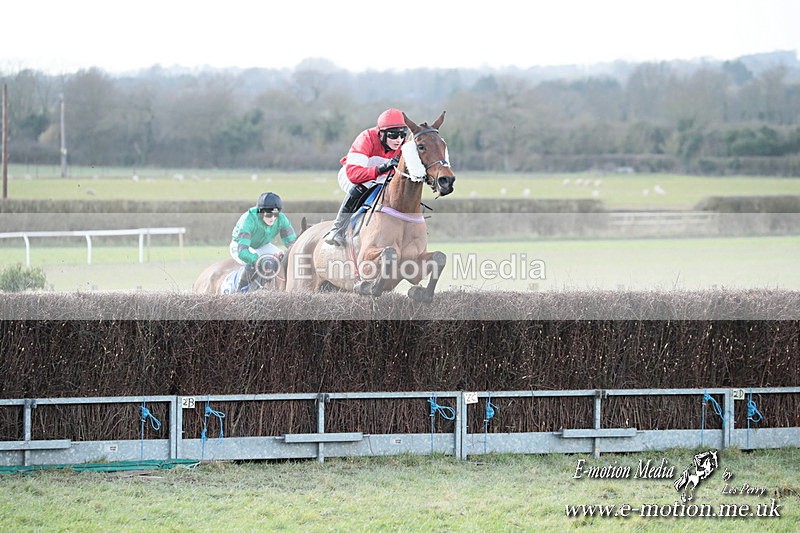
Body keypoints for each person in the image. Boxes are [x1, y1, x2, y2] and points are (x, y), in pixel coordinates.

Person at [323, 108, 408, 246]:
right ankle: (336, 229)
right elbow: (354, 175)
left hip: (382, 179)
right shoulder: (366, 138)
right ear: (381, 133)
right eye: (393, 135)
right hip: (353, 175)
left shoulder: (404, 144)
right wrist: (383, 167)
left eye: (402, 134)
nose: (399, 140)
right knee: (364, 185)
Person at [230, 192, 296, 290]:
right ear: (260, 211)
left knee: (283, 259)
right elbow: (243, 252)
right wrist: (261, 261)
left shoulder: (281, 219)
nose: (273, 218)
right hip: (240, 246)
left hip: (262, 245)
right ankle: (239, 290)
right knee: (254, 263)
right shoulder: (249, 219)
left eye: (275, 214)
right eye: (269, 214)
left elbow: (292, 244)